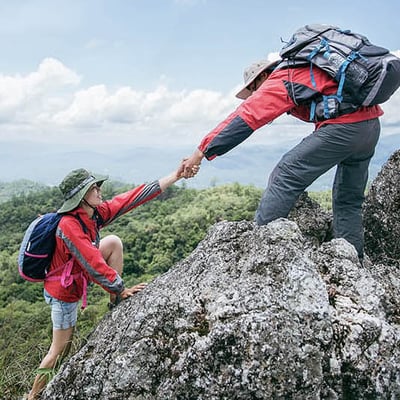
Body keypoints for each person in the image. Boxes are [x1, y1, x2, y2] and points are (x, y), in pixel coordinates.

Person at [181, 58, 383, 261]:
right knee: (348, 199)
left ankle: (260, 250)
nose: (254, 95)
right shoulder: (306, 71)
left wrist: (201, 152)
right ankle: (351, 261)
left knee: (285, 175)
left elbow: (247, 116)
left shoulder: (282, 78)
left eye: (253, 90)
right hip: (370, 126)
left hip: (344, 127)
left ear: (262, 76)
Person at [28, 163, 198, 399]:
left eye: (97, 185)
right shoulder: (69, 225)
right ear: (81, 197)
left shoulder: (92, 214)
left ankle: (114, 301)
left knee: (113, 242)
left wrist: (175, 176)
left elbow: (130, 199)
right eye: (93, 187)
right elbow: (94, 264)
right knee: (59, 350)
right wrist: (121, 287)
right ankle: (33, 396)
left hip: (75, 277)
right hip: (63, 293)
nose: (99, 190)